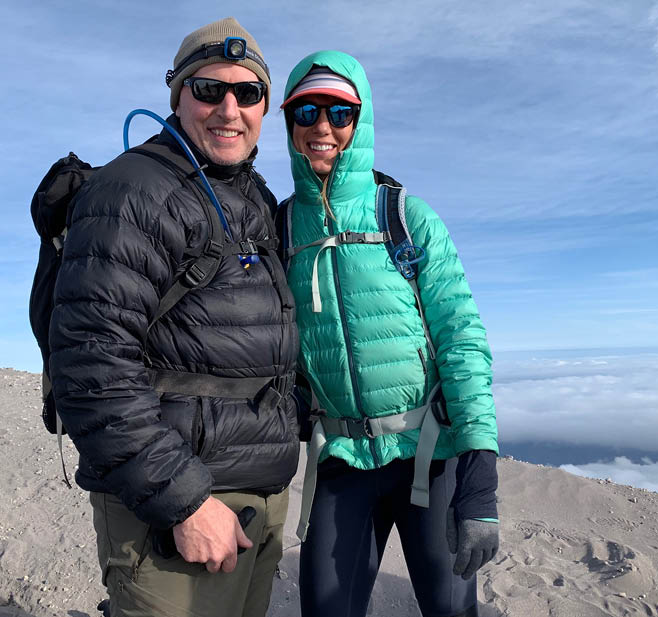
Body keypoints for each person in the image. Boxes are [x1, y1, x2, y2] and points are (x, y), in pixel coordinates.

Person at [48, 17, 299, 617]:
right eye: (209, 90)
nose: (229, 108)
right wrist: (184, 504)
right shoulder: (134, 191)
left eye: (248, 92)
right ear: (178, 98)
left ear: (266, 106)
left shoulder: (253, 197)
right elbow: (92, 365)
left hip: (255, 502)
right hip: (177, 509)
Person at [278, 51, 499, 617]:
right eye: (306, 111)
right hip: (341, 458)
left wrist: (479, 480)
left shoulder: (405, 216)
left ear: (362, 119)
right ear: (288, 123)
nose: (322, 126)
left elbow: (462, 341)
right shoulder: (279, 227)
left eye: (339, 111)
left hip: (428, 455)